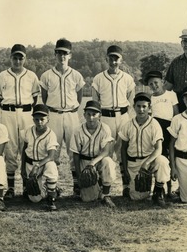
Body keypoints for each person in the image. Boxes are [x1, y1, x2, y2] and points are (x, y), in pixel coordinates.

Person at [40, 38, 85, 196]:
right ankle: (54, 186)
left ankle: (77, 186)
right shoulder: (46, 75)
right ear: (55, 54)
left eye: (65, 53)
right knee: (53, 151)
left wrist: (71, 109)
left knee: (74, 151)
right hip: (53, 114)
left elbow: (79, 98)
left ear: (70, 55)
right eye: (59, 53)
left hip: (71, 114)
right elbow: (44, 98)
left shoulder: (76, 75)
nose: (62, 56)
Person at [0, 44, 40, 199]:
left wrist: (26, 109)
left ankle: (27, 186)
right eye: (15, 57)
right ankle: (11, 188)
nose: (18, 60)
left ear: (25, 59)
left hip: (27, 113)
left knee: (27, 147)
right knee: (10, 148)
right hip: (8, 113)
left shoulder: (32, 76)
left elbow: (35, 98)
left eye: (21, 57)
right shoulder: (2, 75)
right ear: (10, 58)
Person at [92, 45, 135, 197]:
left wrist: (128, 119)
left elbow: (131, 100)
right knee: (105, 152)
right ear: (106, 59)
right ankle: (104, 187)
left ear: (121, 60)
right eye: (111, 58)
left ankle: (126, 185)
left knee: (124, 150)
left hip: (123, 116)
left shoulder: (128, 78)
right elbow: (95, 102)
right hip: (106, 117)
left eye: (116, 58)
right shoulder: (98, 78)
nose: (113, 61)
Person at [119, 92, 170, 207]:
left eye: (144, 106)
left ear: (149, 108)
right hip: (134, 163)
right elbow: (123, 149)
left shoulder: (154, 124)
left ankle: (158, 190)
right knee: (138, 198)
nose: (141, 109)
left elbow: (158, 149)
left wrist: (146, 163)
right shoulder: (128, 125)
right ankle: (131, 188)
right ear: (134, 107)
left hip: (150, 161)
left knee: (162, 161)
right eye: (138, 106)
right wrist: (125, 170)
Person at [70, 100, 116, 208]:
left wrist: (93, 163)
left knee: (108, 162)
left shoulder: (105, 128)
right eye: (88, 114)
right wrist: (79, 175)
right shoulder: (77, 130)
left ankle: (106, 194)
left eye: (94, 114)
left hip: (99, 159)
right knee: (88, 199)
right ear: (84, 115)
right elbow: (75, 155)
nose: (91, 118)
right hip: (84, 161)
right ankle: (96, 186)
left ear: (100, 115)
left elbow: (106, 151)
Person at [144, 70, 179, 197]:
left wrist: (175, 130)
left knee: (170, 158)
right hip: (157, 129)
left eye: (156, 82)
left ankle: (170, 189)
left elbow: (176, 114)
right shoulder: (150, 98)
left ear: (162, 82)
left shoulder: (171, 95)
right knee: (161, 157)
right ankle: (160, 187)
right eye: (151, 84)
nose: (154, 85)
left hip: (170, 128)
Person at [21, 104, 59, 211]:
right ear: (33, 119)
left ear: (48, 119)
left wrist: (37, 165)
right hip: (29, 164)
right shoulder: (28, 130)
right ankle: (47, 189)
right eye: (36, 119)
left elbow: (51, 156)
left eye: (42, 119)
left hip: (43, 164)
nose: (39, 122)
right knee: (35, 199)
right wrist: (22, 168)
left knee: (51, 166)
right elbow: (24, 150)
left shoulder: (51, 134)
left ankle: (51, 197)